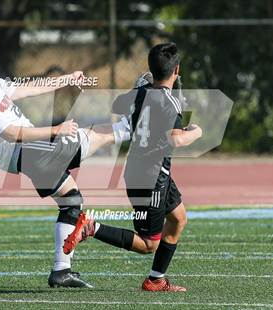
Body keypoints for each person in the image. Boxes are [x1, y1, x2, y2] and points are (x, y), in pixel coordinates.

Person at [0, 32, 130, 288]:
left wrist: (65, 79)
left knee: (71, 201)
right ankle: (133, 126)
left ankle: (61, 271)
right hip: (20, 150)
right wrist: (56, 131)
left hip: (26, 151)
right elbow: (12, 134)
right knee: (87, 136)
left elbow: (26, 88)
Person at [63, 42, 203, 292]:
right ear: (177, 70)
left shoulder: (142, 93)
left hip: (148, 170)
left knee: (179, 219)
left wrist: (140, 88)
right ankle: (92, 227)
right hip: (151, 177)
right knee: (149, 245)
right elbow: (177, 138)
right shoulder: (170, 102)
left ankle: (155, 280)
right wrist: (196, 131)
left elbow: (118, 105)